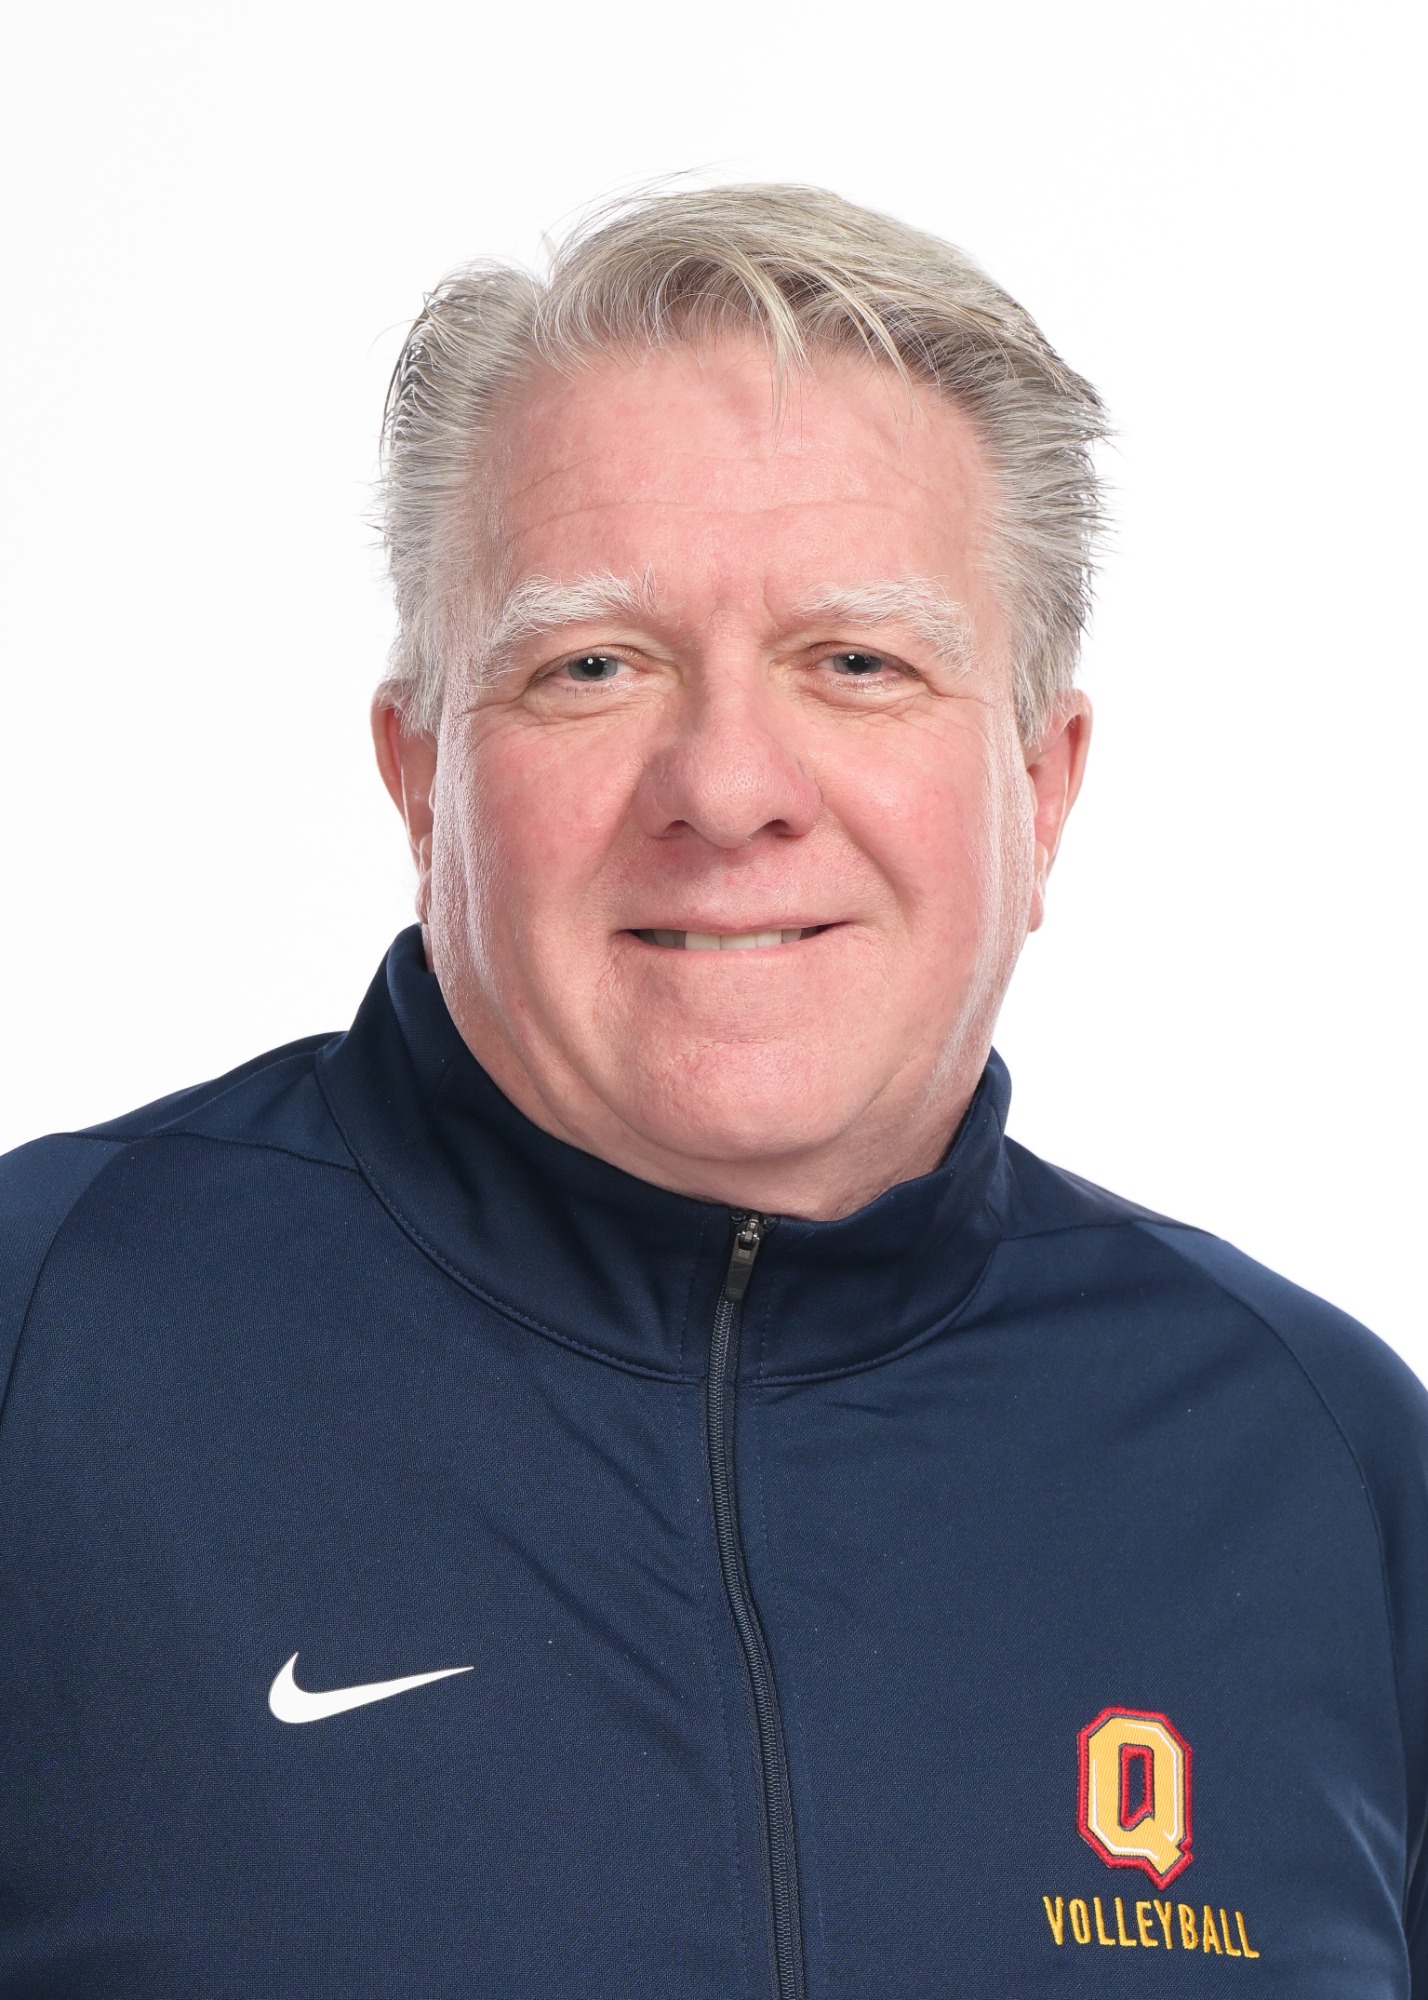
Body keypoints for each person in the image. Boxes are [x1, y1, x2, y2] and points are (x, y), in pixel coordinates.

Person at [1, 184, 1423, 2000]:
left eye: (860, 663)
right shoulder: (43, 1348)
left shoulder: (1323, 1464)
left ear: (1043, 786)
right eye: (593, 665)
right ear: (418, 771)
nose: (731, 786)